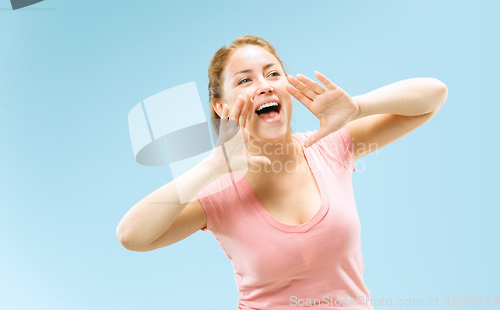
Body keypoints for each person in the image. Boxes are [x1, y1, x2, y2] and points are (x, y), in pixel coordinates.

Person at [116, 35, 448, 309]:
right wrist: (214, 166)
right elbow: (131, 236)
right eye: (245, 80)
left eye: (273, 74)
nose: (264, 86)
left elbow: (434, 95)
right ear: (222, 107)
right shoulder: (216, 191)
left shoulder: (329, 148)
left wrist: (358, 107)